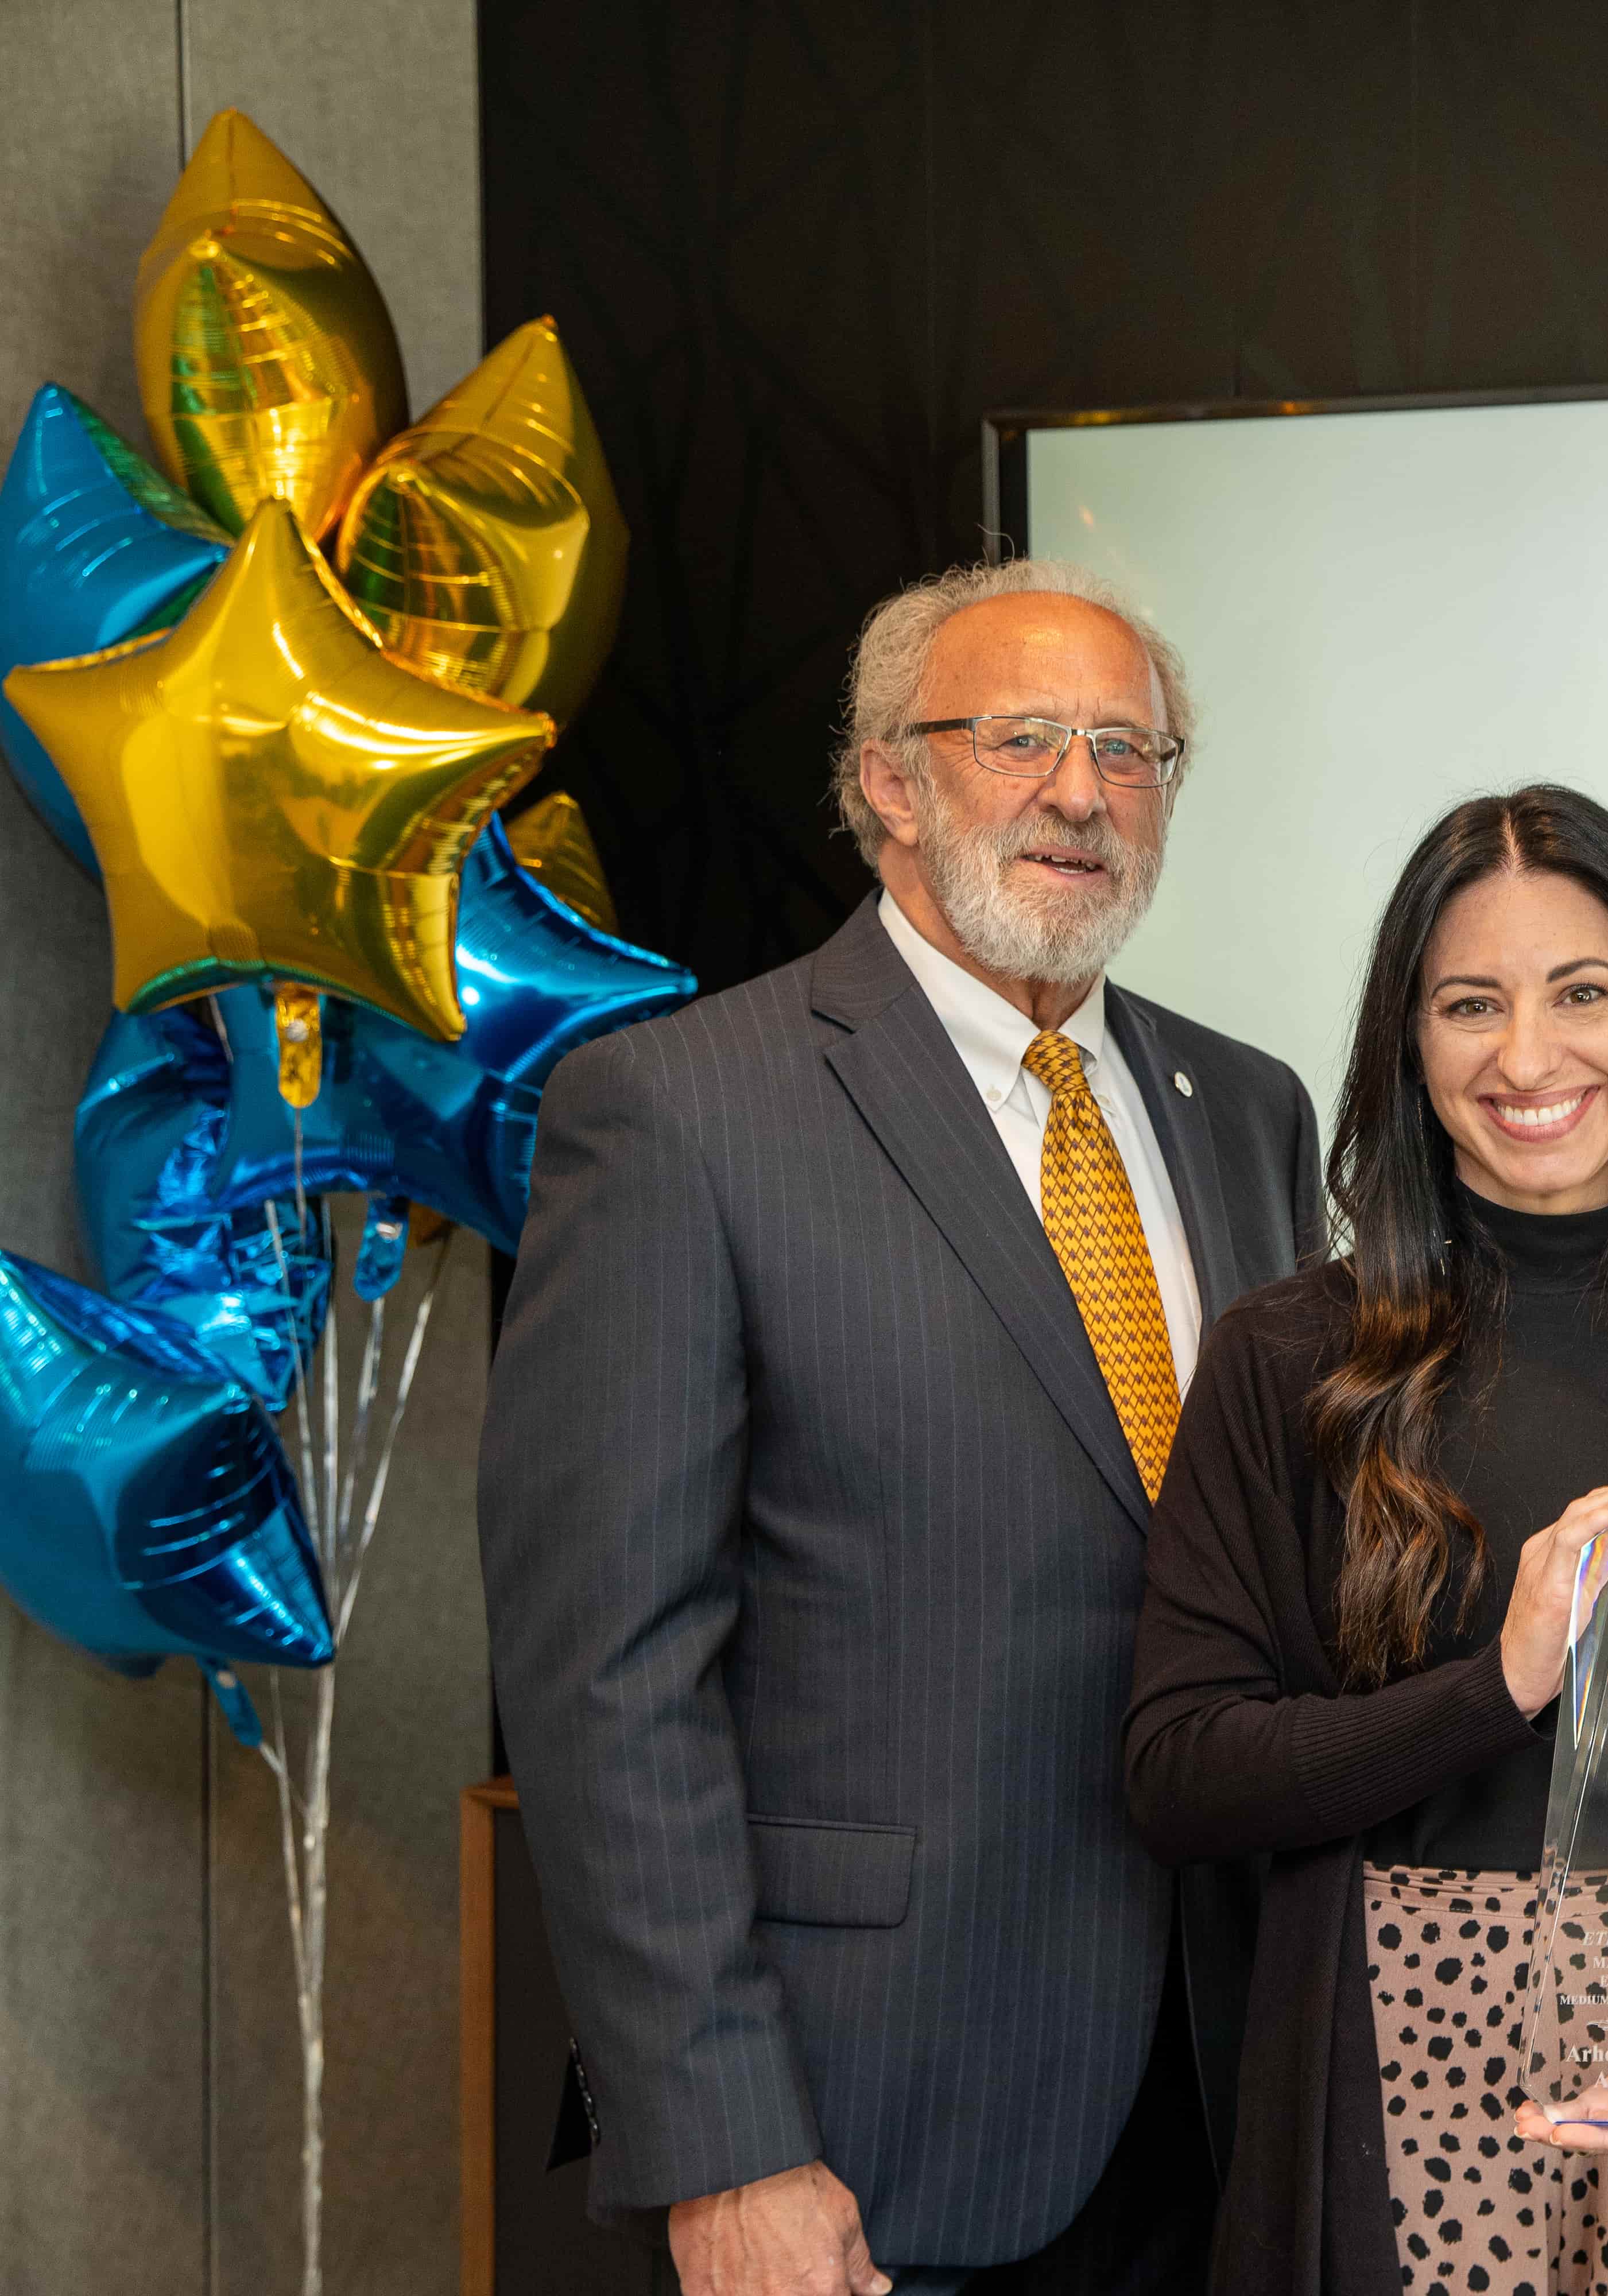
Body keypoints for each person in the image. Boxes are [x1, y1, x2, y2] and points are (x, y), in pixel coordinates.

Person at [479, 560, 1325, 2296]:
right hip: (867, 2127)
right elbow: (604, 1678)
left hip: (1228, 2098)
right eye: (1018, 739)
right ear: (887, 778)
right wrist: (724, 2148)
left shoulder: (1246, 1108)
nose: (1081, 792)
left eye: (1129, 749)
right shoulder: (682, 1115)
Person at [1125, 784, 1608, 2296]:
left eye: (1580, 994)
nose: (1529, 1055)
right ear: (1408, 1045)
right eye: (1470, 1005)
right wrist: (1492, 1684)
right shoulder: (1293, 1361)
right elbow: (1180, 1770)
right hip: (1388, 2082)